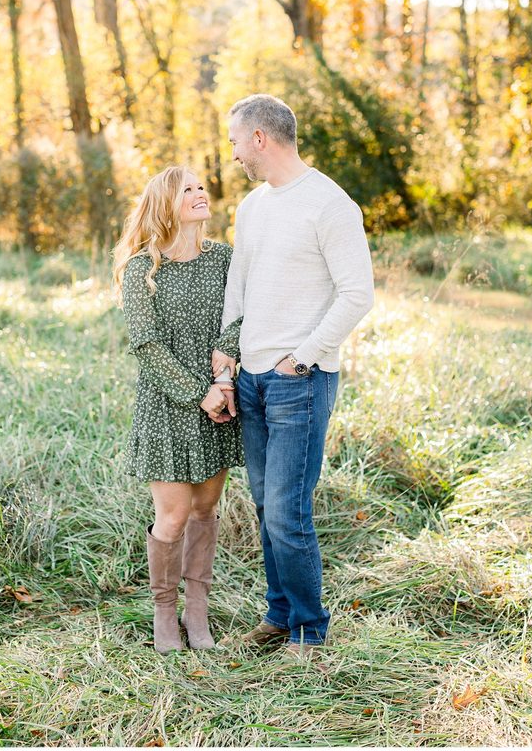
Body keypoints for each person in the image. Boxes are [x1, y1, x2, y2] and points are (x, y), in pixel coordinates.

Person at [212, 94, 374, 664]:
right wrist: (226, 353)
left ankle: (310, 629)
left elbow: (358, 293)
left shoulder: (330, 204)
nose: (231, 153)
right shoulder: (253, 207)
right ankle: (278, 615)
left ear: (260, 138)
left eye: (235, 140)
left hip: (299, 380)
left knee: (288, 509)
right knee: (263, 503)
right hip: (252, 378)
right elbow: (240, 285)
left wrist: (303, 356)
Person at [113, 166, 244, 654]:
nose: (199, 192)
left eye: (201, 186)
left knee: (206, 509)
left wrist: (224, 375)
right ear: (164, 205)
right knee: (173, 516)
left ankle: (197, 610)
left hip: (220, 397)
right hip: (169, 405)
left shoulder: (226, 260)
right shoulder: (140, 269)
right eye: (186, 189)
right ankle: (164, 613)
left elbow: (242, 315)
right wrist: (199, 392)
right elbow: (146, 345)